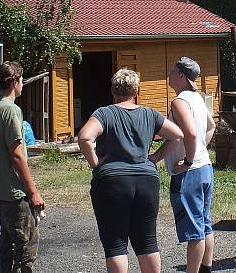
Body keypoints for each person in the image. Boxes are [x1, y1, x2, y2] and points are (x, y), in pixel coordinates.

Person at [78, 69, 184, 273]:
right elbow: (177, 135)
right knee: (147, 240)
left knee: (116, 243)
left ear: (113, 90)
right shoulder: (149, 113)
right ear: (136, 91)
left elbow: (84, 138)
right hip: (146, 180)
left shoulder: (105, 113)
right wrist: (155, 158)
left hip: (113, 181)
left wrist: (95, 163)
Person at [150, 57, 217, 273]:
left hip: (191, 173)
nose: (169, 74)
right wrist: (199, 150)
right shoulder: (197, 98)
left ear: (181, 75)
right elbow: (211, 125)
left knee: (194, 229)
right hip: (205, 168)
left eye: (172, 71)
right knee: (205, 223)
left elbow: (187, 133)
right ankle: (206, 268)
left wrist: (189, 159)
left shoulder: (179, 102)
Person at [0, 61, 45, 273]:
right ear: (14, 81)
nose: (23, 84)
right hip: (14, 193)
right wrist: (33, 192)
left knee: (8, 242)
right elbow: (17, 155)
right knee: (26, 245)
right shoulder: (11, 110)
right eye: (22, 80)